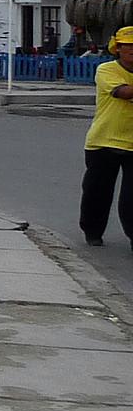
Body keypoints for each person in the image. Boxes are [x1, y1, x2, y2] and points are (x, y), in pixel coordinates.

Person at [79, 26, 133, 247]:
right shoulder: (106, 70)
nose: (132, 50)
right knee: (97, 192)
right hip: (103, 141)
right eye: (128, 46)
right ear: (117, 48)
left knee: (132, 197)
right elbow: (124, 92)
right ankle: (92, 231)